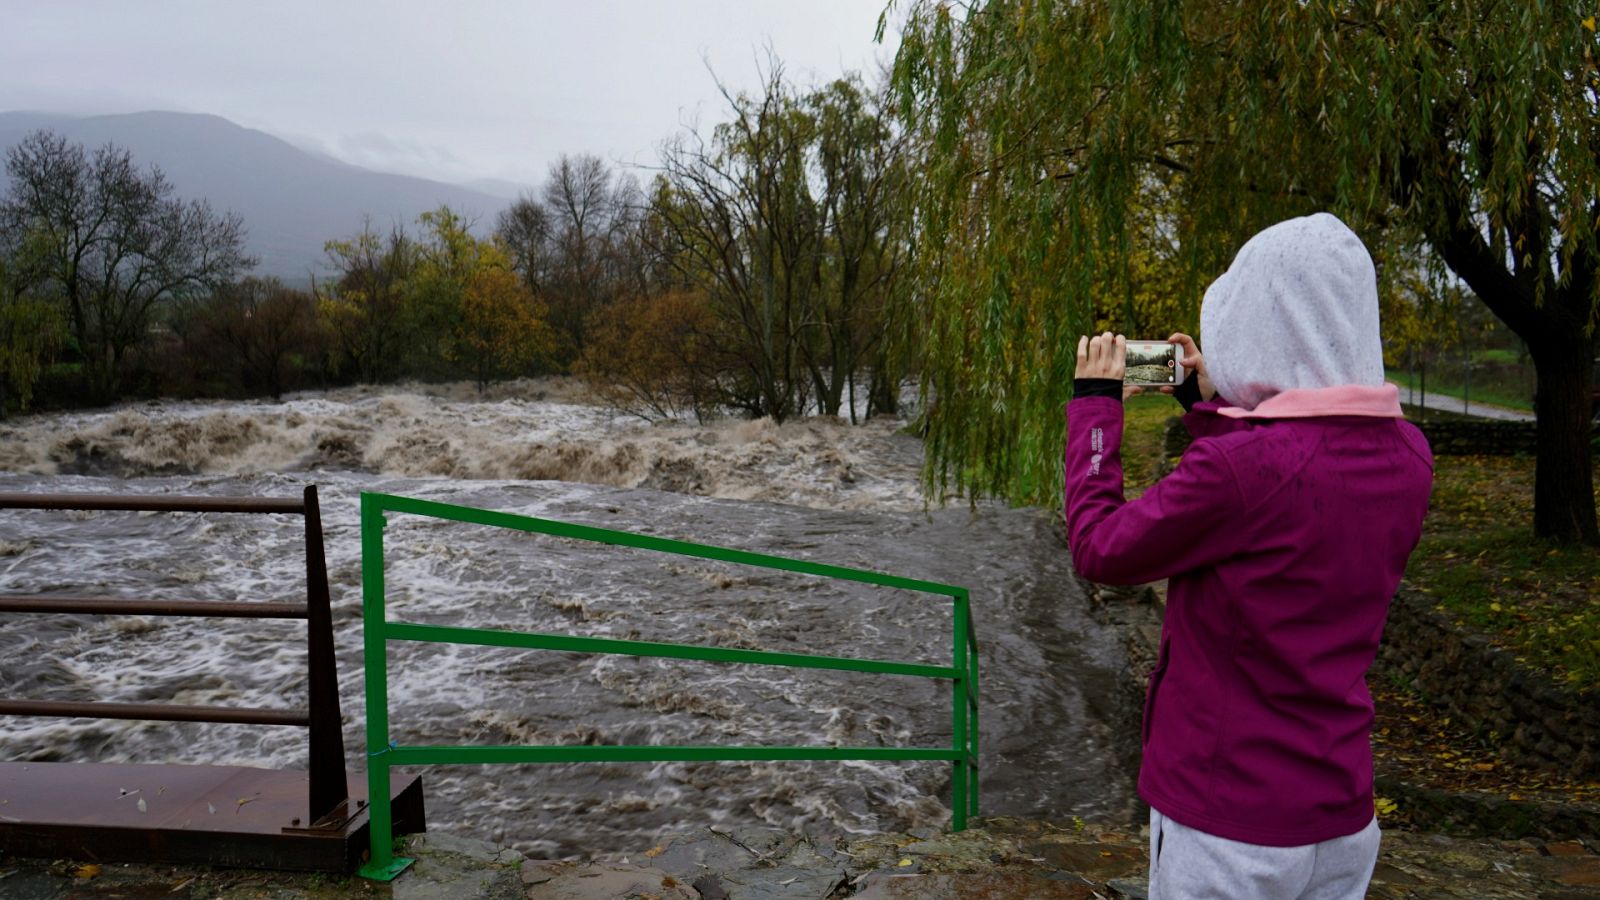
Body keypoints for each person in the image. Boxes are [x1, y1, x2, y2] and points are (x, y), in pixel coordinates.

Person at [1063, 213, 1433, 899]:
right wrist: (1212, 401)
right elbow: (1276, 488)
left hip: (1228, 825)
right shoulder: (1410, 457)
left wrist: (1094, 409)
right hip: (1341, 820)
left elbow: (1098, 547)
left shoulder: (1243, 472)